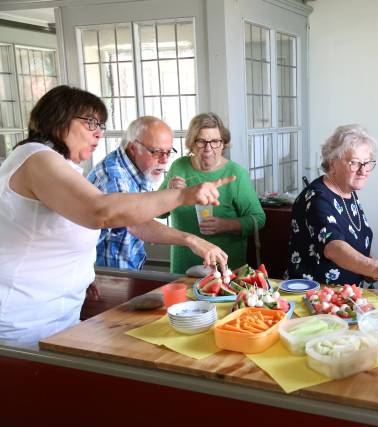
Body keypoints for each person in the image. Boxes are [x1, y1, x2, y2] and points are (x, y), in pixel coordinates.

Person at [0, 86, 234, 347]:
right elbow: (101, 212)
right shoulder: (36, 156)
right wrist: (184, 196)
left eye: (100, 124)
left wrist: (83, 273)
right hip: (22, 320)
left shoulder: (59, 164)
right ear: (58, 119)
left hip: (56, 312)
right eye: (91, 123)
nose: (99, 132)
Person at [88, 116, 228, 270]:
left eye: (168, 152)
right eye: (157, 152)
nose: (164, 160)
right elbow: (137, 224)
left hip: (129, 267)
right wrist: (192, 240)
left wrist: (169, 195)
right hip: (104, 276)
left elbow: (145, 210)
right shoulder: (113, 176)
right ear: (133, 147)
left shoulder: (140, 166)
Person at [287, 124, 378, 289]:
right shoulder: (317, 199)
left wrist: (374, 265)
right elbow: (334, 248)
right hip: (318, 297)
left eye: (367, 163)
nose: (363, 170)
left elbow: (354, 242)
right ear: (332, 163)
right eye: (354, 163)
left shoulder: (347, 191)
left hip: (349, 295)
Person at [160, 113, 265, 274]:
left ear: (223, 144)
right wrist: (169, 194)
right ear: (192, 144)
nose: (208, 148)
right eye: (202, 141)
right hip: (183, 267)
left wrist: (227, 225)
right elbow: (159, 214)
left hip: (226, 269)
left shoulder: (236, 173)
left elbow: (259, 219)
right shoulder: (179, 166)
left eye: (215, 141)